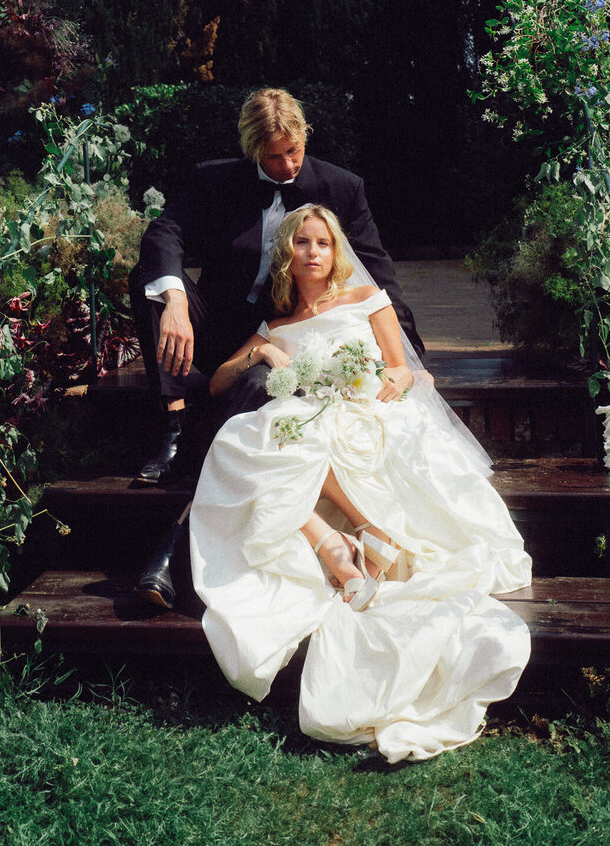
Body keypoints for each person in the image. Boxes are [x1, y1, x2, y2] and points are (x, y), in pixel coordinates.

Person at [189, 206, 532, 763]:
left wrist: (363, 392)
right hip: (305, 421)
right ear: (287, 254)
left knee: (290, 438)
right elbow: (219, 383)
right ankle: (344, 547)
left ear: (336, 249)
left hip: (364, 408)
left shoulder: (367, 300)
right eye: (302, 243)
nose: (314, 252)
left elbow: (401, 371)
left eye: (324, 242)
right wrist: (261, 352)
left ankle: (357, 534)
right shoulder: (274, 326)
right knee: (254, 435)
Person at [130, 89, 422, 607]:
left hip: (284, 338)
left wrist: (407, 360)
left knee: (263, 387)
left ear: (306, 138)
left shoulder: (341, 186)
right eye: (273, 156)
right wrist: (175, 298)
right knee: (151, 280)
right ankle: (173, 423)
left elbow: (377, 271)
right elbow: (163, 233)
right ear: (250, 149)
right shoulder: (213, 179)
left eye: (294, 152)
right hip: (220, 334)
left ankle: (174, 548)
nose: (286, 165)